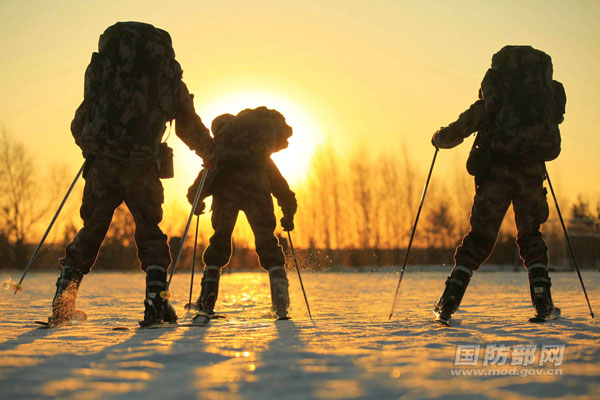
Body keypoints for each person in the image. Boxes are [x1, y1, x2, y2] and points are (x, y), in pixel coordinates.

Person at [50, 21, 214, 327]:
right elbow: (187, 124)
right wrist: (211, 153)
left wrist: (91, 146)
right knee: (150, 231)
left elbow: (84, 114)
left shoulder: (106, 69)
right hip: (142, 164)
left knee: (93, 227)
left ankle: (64, 296)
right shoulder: (166, 77)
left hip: (103, 163)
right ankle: (156, 303)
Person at [431, 45, 567, 325]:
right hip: (530, 171)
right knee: (530, 235)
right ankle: (543, 303)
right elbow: (558, 117)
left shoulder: (494, 99)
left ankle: (448, 302)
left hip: (495, 172)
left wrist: (439, 138)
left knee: (479, 237)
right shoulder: (541, 102)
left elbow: (462, 127)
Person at [186, 107, 297, 321]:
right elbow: (281, 187)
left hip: (226, 194)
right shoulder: (257, 154)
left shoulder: (220, 149)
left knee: (218, 244)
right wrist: (288, 213)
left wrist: (195, 201)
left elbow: (203, 181)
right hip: (258, 187)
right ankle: (281, 302)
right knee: (267, 242)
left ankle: (206, 302)